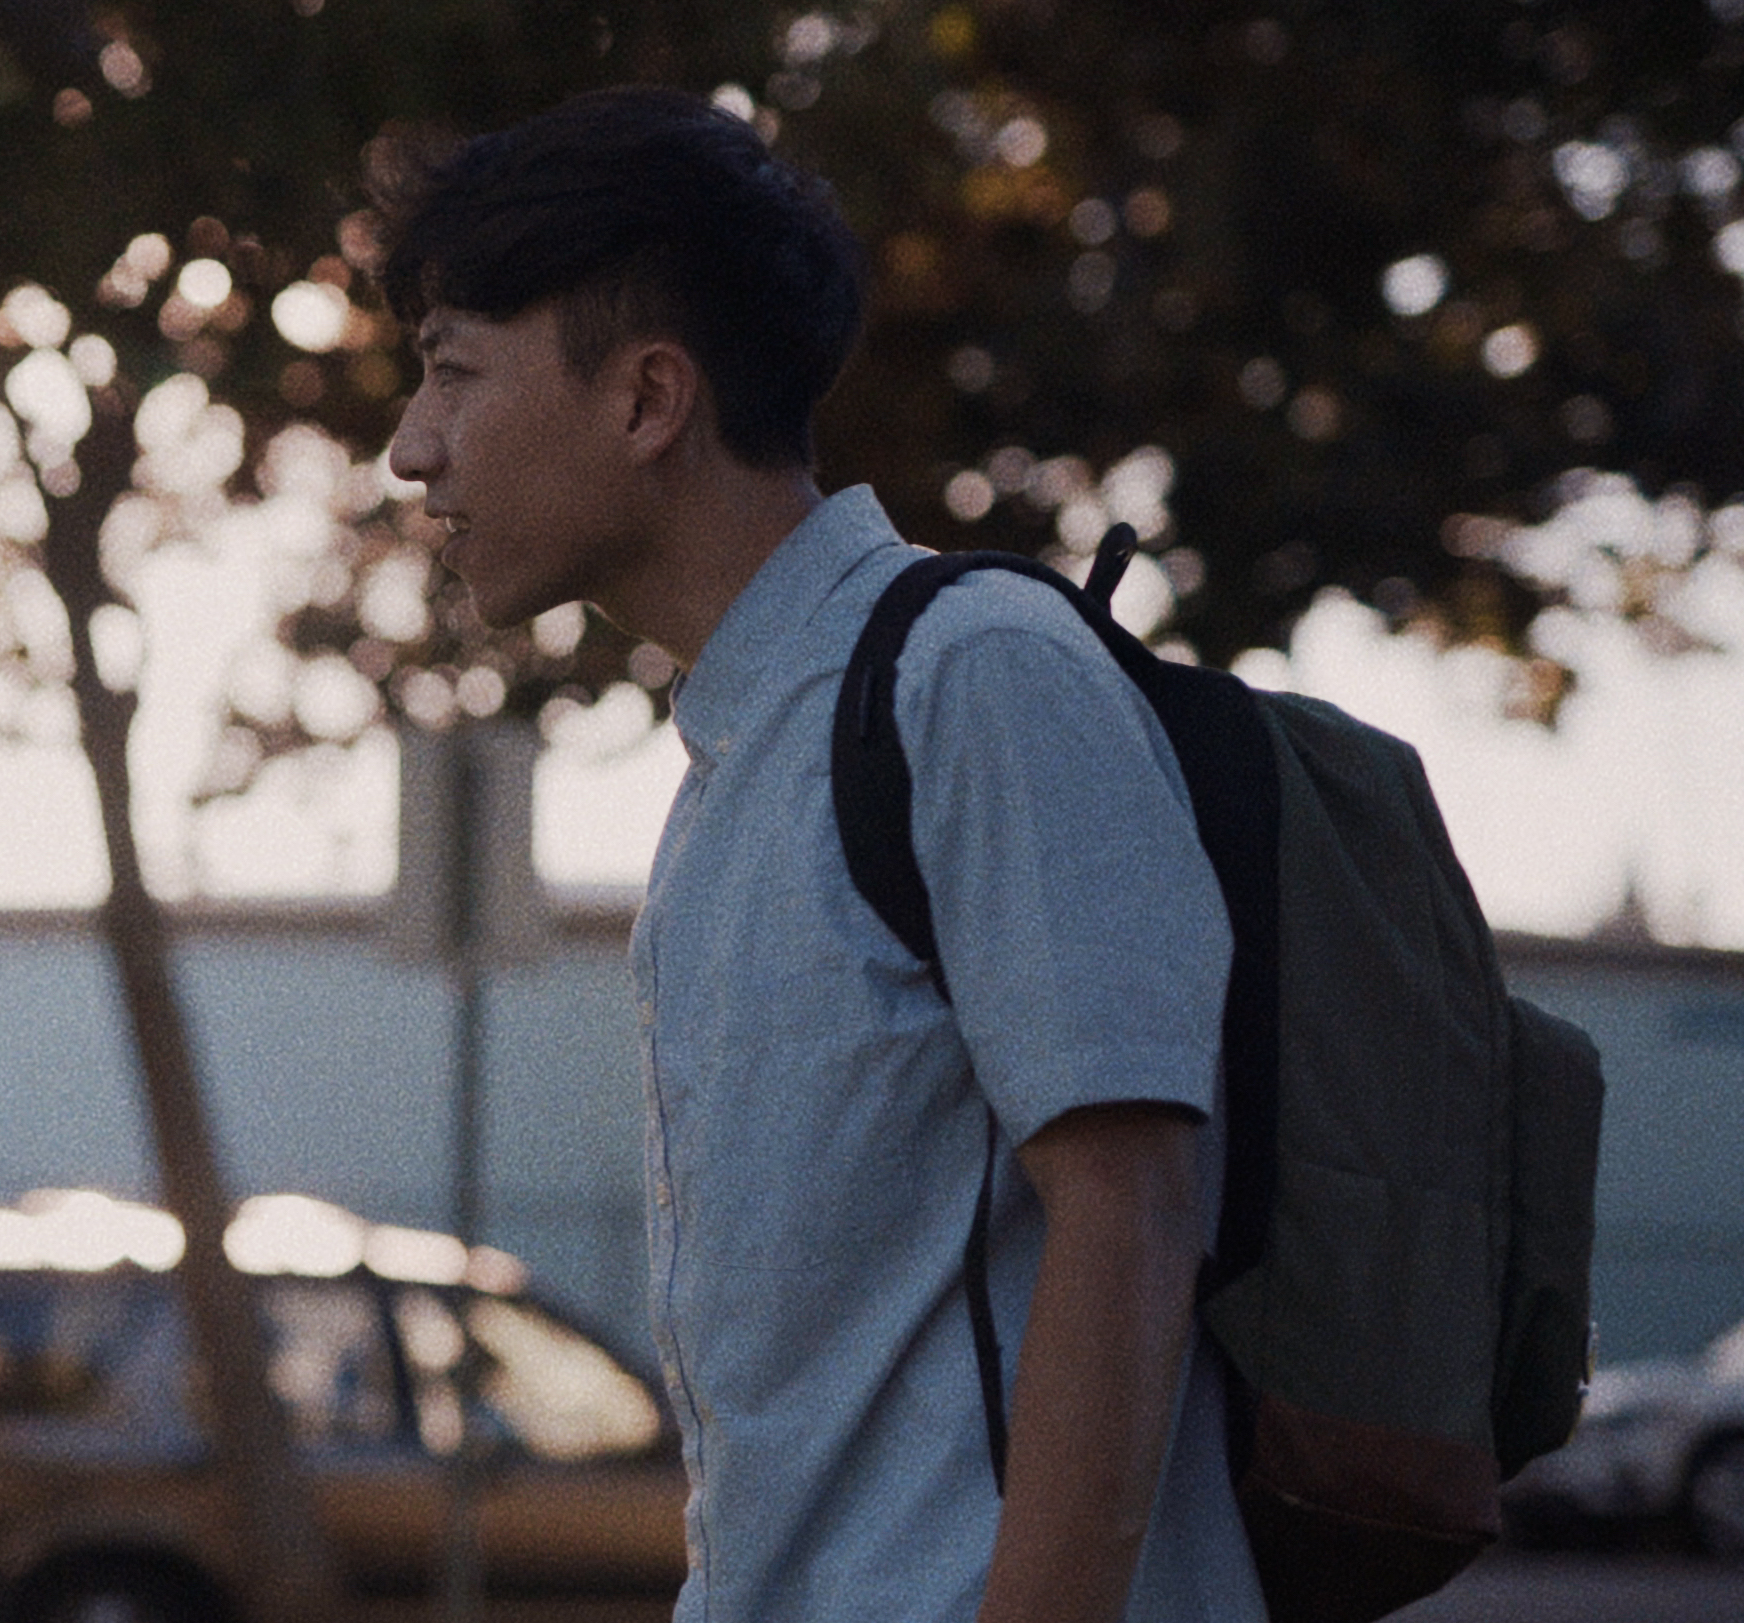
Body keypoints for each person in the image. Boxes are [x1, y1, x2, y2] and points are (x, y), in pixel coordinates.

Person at [380, 90, 1258, 1623]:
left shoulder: (971, 674)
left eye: (454, 371)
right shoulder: (750, 760)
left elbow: (1130, 1212)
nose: (411, 449)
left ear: (650, 400)